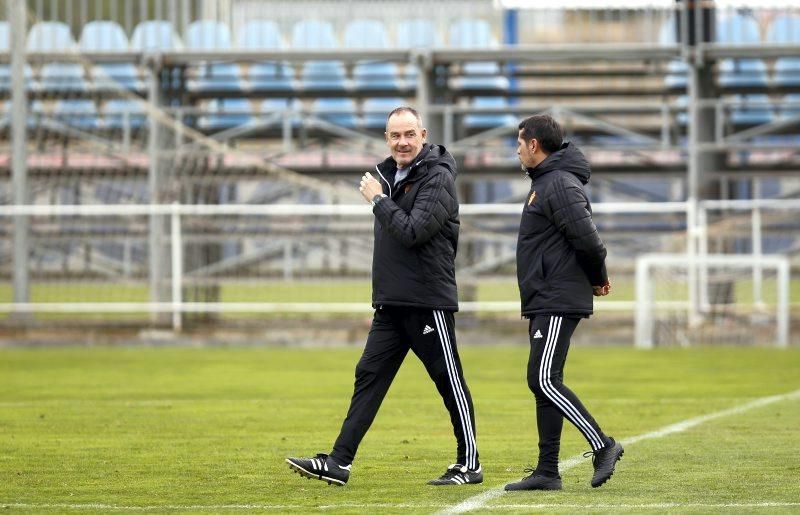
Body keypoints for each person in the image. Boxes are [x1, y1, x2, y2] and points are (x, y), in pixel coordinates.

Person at [286, 107, 481, 486]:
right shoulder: (388, 176)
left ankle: (469, 464)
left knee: (449, 381)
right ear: (386, 138)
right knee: (368, 376)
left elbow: (413, 231)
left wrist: (378, 200)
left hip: (426, 301)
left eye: (409, 134)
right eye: (395, 136)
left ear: (423, 135)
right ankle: (339, 462)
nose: (402, 142)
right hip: (391, 302)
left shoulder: (437, 178)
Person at [504, 114, 623, 492]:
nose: (518, 149)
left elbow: (589, 241)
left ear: (534, 146)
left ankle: (603, 445)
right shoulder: (546, 182)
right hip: (546, 296)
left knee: (543, 378)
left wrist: (598, 277)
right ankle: (547, 471)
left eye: (520, 143)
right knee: (542, 382)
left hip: (557, 297)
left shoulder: (557, 184)